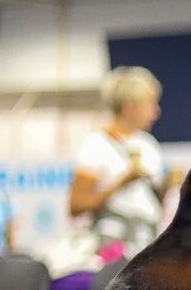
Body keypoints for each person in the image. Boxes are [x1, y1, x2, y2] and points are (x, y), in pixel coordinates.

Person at [70, 66, 165, 254]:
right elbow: (77, 205)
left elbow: (153, 203)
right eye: (151, 104)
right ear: (130, 106)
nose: (156, 112)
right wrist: (122, 181)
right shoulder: (95, 144)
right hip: (113, 245)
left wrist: (169, 185)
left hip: (146, 240)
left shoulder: (149, 144)